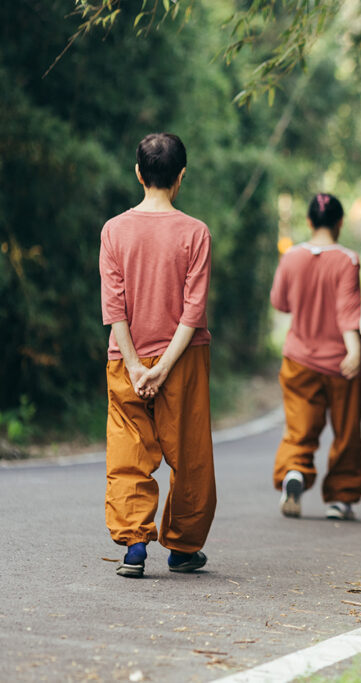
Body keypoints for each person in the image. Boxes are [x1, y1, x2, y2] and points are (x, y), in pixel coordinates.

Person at [99, 132, 216, 578]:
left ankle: (133, 547)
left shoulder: (114, 230)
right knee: (189, 455)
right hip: (183, 362)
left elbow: (115, 307)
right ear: (180, 176)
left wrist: (135, 366)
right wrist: (165, 367)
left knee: (128, 450)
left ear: (138, 173)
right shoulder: (195, 233)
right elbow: (194, 310)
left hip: (124, 360)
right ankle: (184, 549)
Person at [270, 193, 361, 521]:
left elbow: (280, 302)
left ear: (309, 222)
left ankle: (294, 472)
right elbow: (347, 312)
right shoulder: (347, 260)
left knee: (299, 427)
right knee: (346, 430)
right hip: (341, 361)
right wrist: (354, 349)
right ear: (340, 223)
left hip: (298, 358)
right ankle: (340, 498)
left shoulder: (291, 257)